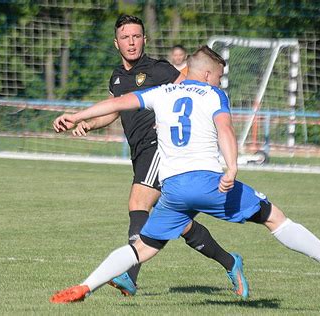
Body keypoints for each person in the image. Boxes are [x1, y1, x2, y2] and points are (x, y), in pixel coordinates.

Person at [50, 46, 320, 304]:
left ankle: (83, 287)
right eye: (218, 77)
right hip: (208, 183)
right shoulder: (213, 95)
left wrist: (75, 115)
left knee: (142, 249)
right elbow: (226, 131)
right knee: (274, 216)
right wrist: (231, 167)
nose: (219, 83)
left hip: (173, 189)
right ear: (206, 74)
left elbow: (118, 102)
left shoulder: (161, 93)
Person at [70, 15, 241, 298]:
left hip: (159, 148)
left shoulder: (158, 69)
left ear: (144, 40)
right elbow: (114, 111)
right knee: (180, 223)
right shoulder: (117, 77)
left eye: (136, 36)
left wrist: (176, 119)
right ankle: (230, 262)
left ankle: (129, 276)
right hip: (140, 153)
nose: (131, 42)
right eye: (125, 37)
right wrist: (88, 123)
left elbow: (193, 88)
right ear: (116, 43)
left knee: (138, 201)